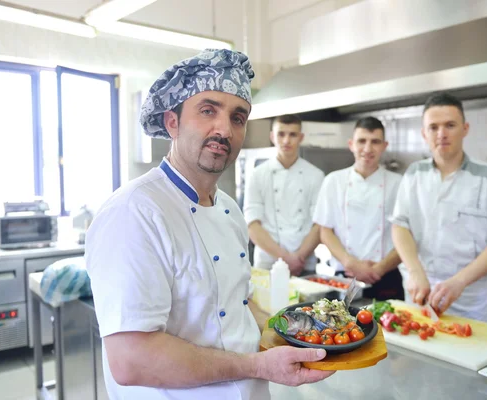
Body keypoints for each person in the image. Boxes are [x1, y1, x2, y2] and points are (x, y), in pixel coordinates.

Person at [85, 49, 333, 400]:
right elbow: (131, 360)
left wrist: (301, 333)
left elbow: (238, 307)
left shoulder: (229, 210)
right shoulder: (134, 212)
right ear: (172, 122)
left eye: (238, 117)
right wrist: (259, 366)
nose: (224, 129)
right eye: (207, 110)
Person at [390, 93, 487, 323]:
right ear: (424, 133)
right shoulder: (414, 173)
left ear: (465, 128)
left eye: (450, 125)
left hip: (470, 301)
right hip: (418, 295)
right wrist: (415, 271)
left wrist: (459, 281)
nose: (441, 133)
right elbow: (400, 226)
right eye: (433, 127)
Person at [312, 117, 404, 300]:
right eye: (362, 141)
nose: (368, 149)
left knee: (387, 328)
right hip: (344, 276)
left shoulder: (399, 183)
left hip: (387, 277)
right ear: (351, 144)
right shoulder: (334, 181)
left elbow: (406, 235)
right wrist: (350, 263)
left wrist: (380, 268)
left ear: (384, 145)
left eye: (375, 142)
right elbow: (325, 231)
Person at [244, 114, 324, 275]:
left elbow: (320, 224)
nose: (286, 140)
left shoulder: (316, 175)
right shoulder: (257, 175)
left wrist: (299, 257)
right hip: (267, 264)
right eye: (281, 134)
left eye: (292, 134)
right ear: (272, 136)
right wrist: (285, 258)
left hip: (304, 264)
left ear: (301, 137)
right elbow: (252, 224)